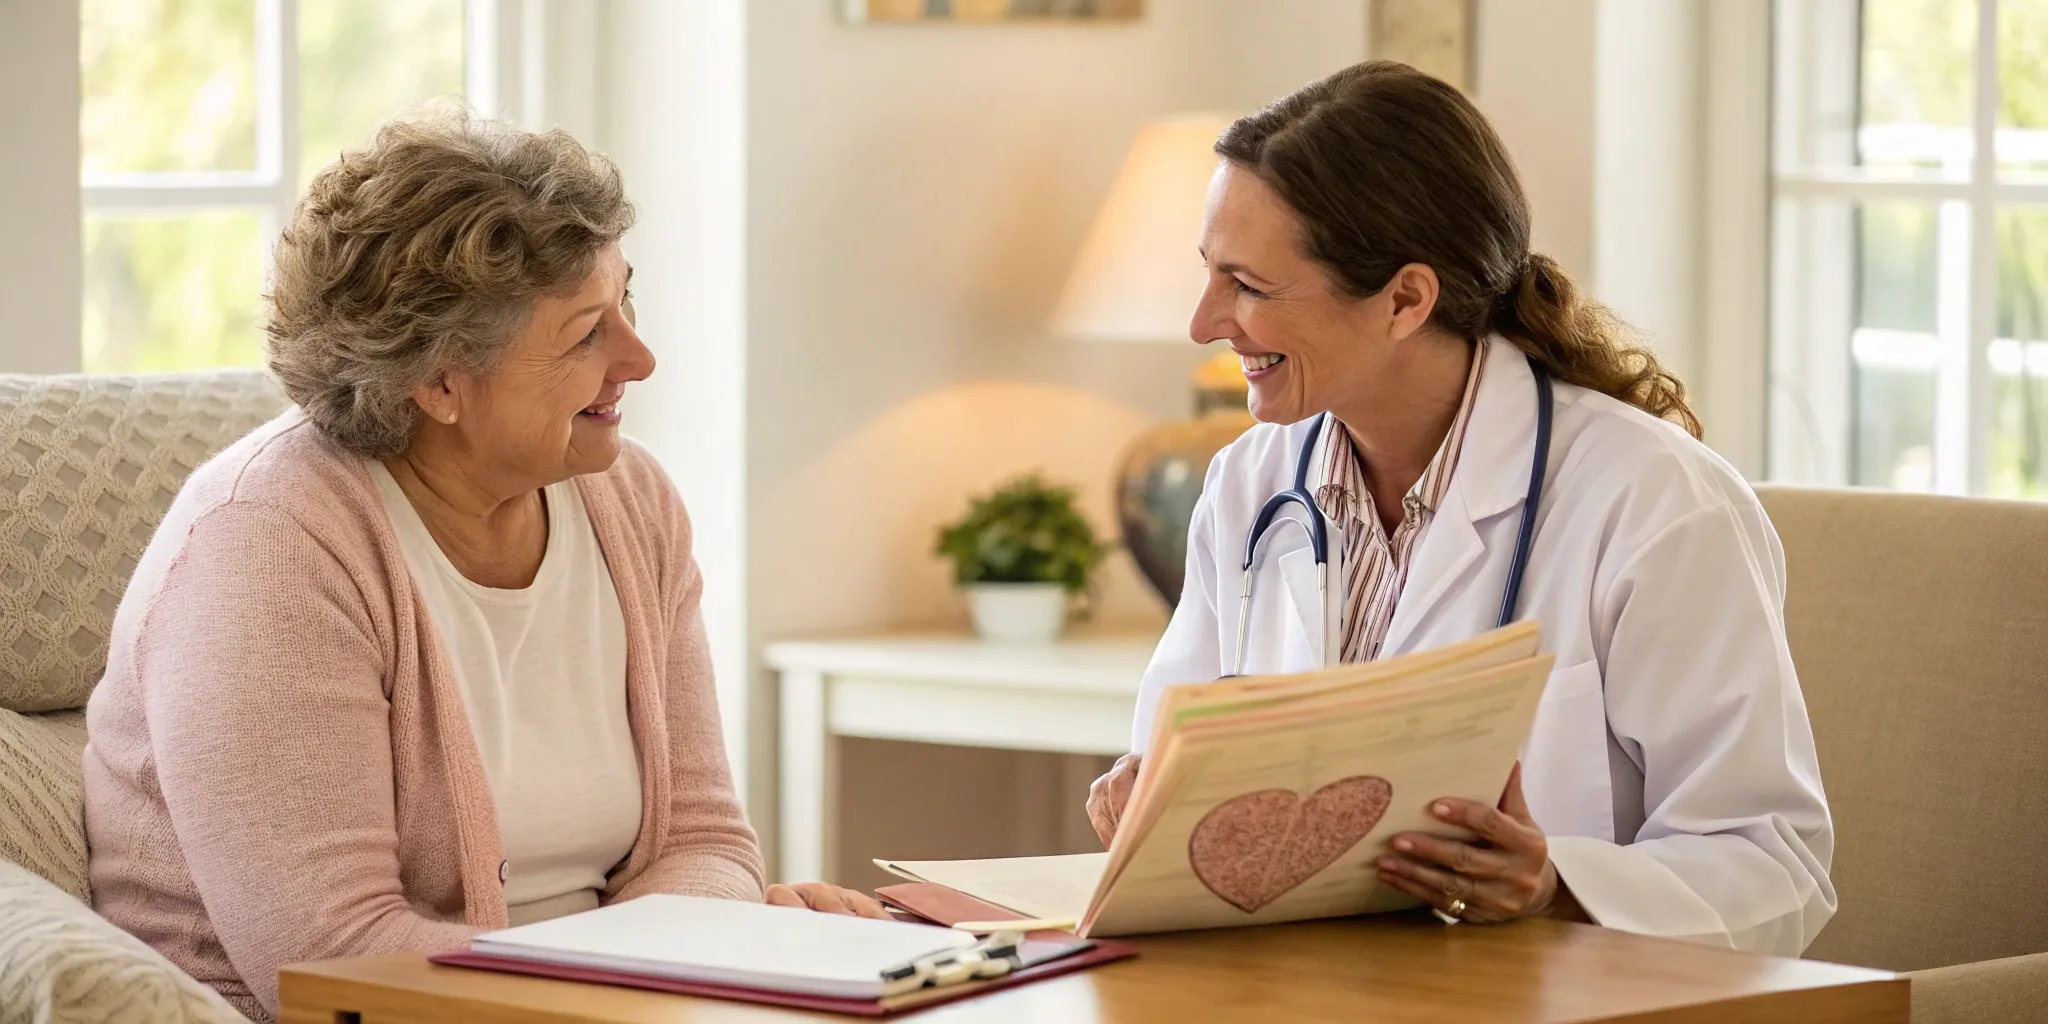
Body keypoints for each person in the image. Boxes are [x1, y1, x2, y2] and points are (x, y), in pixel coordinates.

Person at [83, 111, 881, 1021]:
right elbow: (333, 955)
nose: (640, 359)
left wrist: (701, 955)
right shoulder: (265, 549)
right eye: (587, 334)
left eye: (629, 302)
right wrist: (668, 970)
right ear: (440, 381)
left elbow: (705, 839)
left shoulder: (631, 501)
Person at [1086, 62, 1834, 957]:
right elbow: (1177, 756)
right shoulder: (1251, 486)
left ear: (1406, 298)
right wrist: (1147, 799)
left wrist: (1559, 886)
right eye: (1209, 275)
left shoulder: (1656, 502)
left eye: (1248, 286)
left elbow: (1776, 868)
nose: (1206, 323)